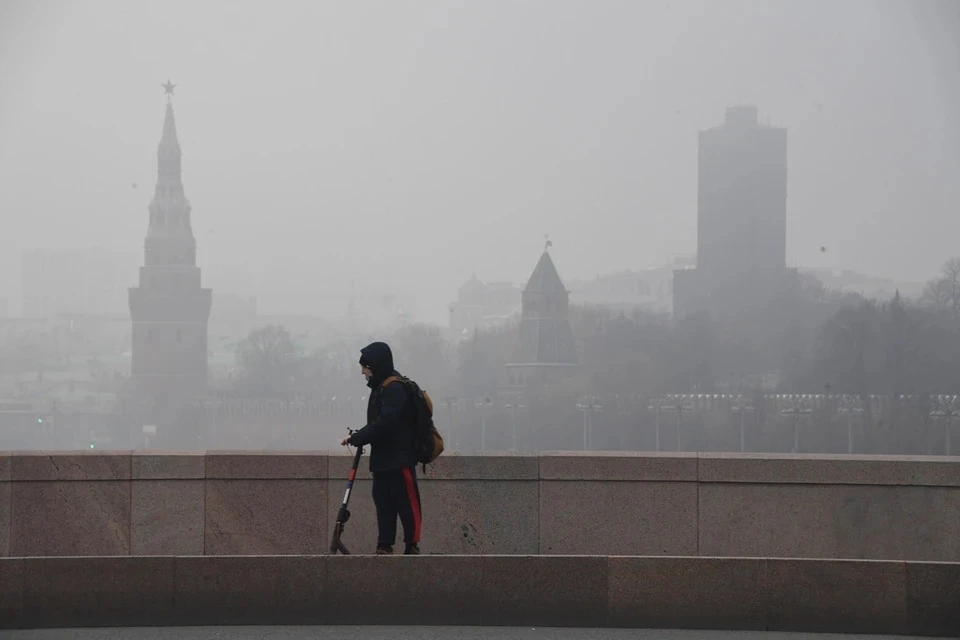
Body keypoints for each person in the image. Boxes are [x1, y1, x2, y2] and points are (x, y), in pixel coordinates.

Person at [340, 341, 422, 555]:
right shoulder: (381, 387)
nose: (362, 372)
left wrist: (358, 438)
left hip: (400, 459)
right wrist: (359, 436)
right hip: (383, 461)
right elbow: (379, 424)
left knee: (406, 504)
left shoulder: (394, 388)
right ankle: (384, 545)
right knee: (384, 504)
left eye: (365, 367)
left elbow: (385, 424)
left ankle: (411, 545)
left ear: (375, 366)